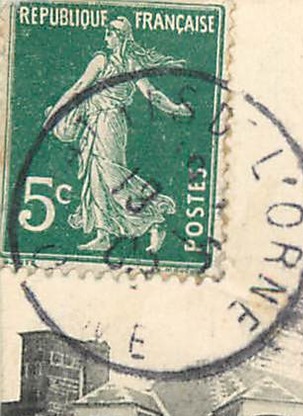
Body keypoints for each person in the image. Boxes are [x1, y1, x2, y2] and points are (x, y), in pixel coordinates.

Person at [42, 16, 193, 253]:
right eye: (106, 33)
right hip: (93, 121)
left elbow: (151, 93)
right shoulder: (101, 60)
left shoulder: (130, 62)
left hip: (111, 122)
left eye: (110, 33)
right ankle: (104, 234)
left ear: (121, 36)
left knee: (112, 175)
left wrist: (175, 109)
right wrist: (57, 112)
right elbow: (79, 87)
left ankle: (155, 220)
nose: (106, 38)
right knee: (95, 177)